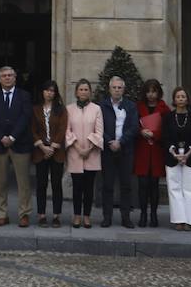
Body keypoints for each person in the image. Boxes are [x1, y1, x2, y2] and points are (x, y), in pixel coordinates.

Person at [0, 65, 33, 228]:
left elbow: (25, 117)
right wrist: (1, 137)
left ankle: (24, 214)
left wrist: (12, 137)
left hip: (20, 143)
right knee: (0, 182)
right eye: (4, 76)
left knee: (23, 182)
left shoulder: (24, 96)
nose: (7, 78)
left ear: (15, 78)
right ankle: (1, 214)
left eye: (10, 75)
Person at [99, 76, 140, 228]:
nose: (117, 90)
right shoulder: (102, 106)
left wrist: (120, 142)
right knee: (107, 185)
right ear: (109, 89)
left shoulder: (131, 106)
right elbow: (98, 127)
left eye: (119, 87)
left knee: (126, 185)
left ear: (124, 89)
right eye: (114, 87)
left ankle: (126, 218)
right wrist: (109, 141)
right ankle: (107, 217)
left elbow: (134, 127)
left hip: (125, 150)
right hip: (108, 150)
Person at [163, 86, 191, 230]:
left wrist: (187, 154)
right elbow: (166, 137)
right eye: (178, 97)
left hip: (190, 156)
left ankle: (189, 220)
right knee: (174, 188)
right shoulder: (168, 117)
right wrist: (175, 154)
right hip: (172, 155)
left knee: (190, 189)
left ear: (187, 99)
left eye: (183, 96)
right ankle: (178, 220)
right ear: (174, 100)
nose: (181, 99)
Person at [65, 78, 103, 228]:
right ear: (76, 92)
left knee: (89, 188)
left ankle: (86, 216)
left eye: (86, 89)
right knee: (77, 187)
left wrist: (89, 148)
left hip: (91, 153)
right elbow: (67, 131)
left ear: (90, 92)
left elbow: (99, 131)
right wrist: (78, 147)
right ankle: (76, 216)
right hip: (75, 153)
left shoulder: (96, 109)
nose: (83, 92)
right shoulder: (69, 109)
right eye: (81, 89)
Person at [30, 79, 68, 227]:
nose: (49, 93)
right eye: (47, 90)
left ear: (55, 93)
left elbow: (62, 129)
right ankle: (41, 215)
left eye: (52, 90)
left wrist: (52, 147)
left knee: (56, 184)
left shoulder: (61, 109)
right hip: (40, 152)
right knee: (41, 184)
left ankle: (57, 215)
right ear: (42, 92)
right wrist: (42, 146)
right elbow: (32, 129)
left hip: (56, 152)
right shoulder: (35, 109)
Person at [134, 79, 170, 228]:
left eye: (154, 91)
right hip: (142, 150)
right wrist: (141, 131)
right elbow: (131, 125)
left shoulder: (164, 108)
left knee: (154, 185)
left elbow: (168, 129)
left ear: (158, 92)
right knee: (142, 184)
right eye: (148, 91)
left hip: (156, 150)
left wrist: (154, 134)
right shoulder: (138, 106)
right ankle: (143, 214)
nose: (151, 94)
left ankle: (154, 215)